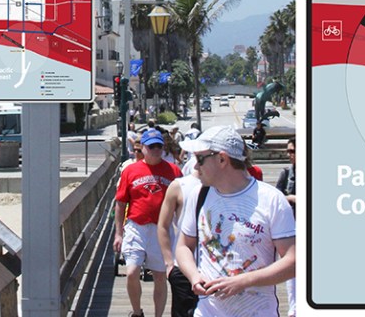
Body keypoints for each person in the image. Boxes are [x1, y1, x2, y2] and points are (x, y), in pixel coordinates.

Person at [176, 126, 295, 316]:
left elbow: (294, 261)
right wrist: (194, 276)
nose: (195, 167)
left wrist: (244, 281)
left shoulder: (271, 199)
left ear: (222, 159)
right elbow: (183, 246)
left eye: (200, 159)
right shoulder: (199, 195)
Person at [114, 128, 182, 317]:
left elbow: (183, 203)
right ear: (142, 148)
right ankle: (137, 312)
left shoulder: (174, 171)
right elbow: (120, 203)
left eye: (159, 146)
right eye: (151, 146)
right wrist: (118, 233)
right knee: (132, 272)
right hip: (136, 227)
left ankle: (158, 315)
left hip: (162, 229)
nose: (155, 150)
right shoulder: (130, 171)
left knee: (160, 276)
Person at [157, 170, 203, 317]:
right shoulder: (179, 185)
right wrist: (169, 263)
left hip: (215, 269)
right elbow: (163, 224)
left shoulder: (224, 186)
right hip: (183, 266)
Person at [276, 138, 297, 317]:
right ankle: (294, 307)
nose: (290, 155)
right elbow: (278, 195)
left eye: (293, 151)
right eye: (288, 151)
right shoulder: (286, 173)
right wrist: (292, 198)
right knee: (292, 265)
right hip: (292, 224)